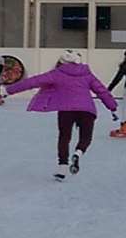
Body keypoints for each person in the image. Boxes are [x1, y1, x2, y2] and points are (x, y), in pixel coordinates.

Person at [7, 50, 118, 181]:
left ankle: (62, 167)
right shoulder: (87, 74)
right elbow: (101, 91)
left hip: (66, 110)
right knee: (86, 137)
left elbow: (33, 81)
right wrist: (112, 107)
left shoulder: (57, 74)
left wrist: (9, 90)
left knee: (64, 137)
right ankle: (78, 152)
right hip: (87, 109)